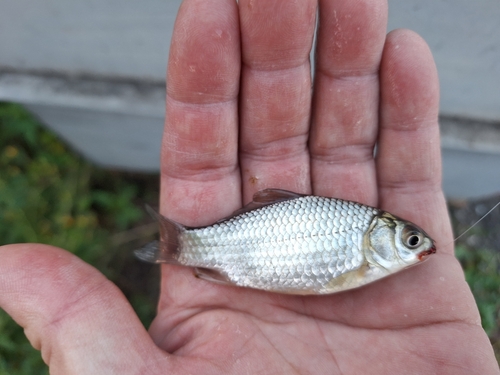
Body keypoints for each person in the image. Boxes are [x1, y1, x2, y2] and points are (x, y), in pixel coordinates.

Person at [1, 0, 498, 373]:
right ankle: (186, 243)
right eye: (411, 241)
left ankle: (186, 244)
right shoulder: (365, 248)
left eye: (413, 240)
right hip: (251, 250)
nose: (418, 247)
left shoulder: (366, 248)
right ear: (383, 237)